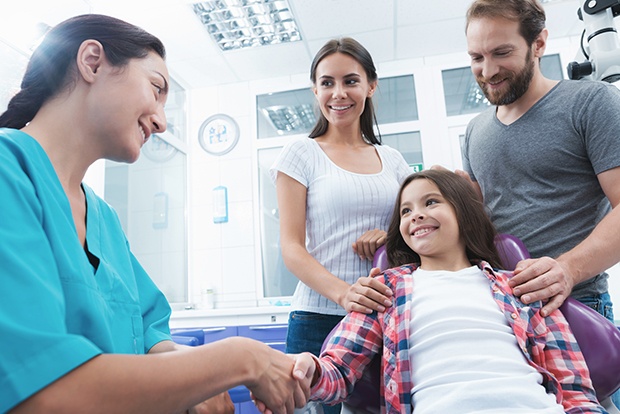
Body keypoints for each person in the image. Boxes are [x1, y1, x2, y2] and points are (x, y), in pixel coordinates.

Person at [0, 14, 311, 414]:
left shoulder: (105, 220)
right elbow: (41, 391)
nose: (162, 123)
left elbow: (148, 335)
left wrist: (192, 377)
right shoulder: (10, 174)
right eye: (156, 88)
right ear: (92, 62)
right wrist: (239, 360)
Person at [285, 169, 605, 413]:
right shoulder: (386, 290)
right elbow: (336, 374)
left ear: (463, 212)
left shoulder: (519, 286)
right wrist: (310, 371)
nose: (416, 215)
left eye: (431, 202)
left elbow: (574, 390)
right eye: (405, 211)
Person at [270, 37, 410, 413]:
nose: (338, 93)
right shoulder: (301, 154)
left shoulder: (394, 160)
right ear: (315, 89)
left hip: (382, 318)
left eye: (350, 80)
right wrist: (345, 294)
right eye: (327, 83)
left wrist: (391, 236)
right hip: (317, 319)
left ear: (371, 85)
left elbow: (414, 237)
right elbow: (292, 248)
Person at [460, 0, 620, 322]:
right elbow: (477, 225)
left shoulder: (590, 103)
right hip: (502, 311)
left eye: (502, 53)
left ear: (539, 44)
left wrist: (566, 269)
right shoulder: (475, 131)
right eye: (477, 58)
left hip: (577, 304)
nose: (487, 71)